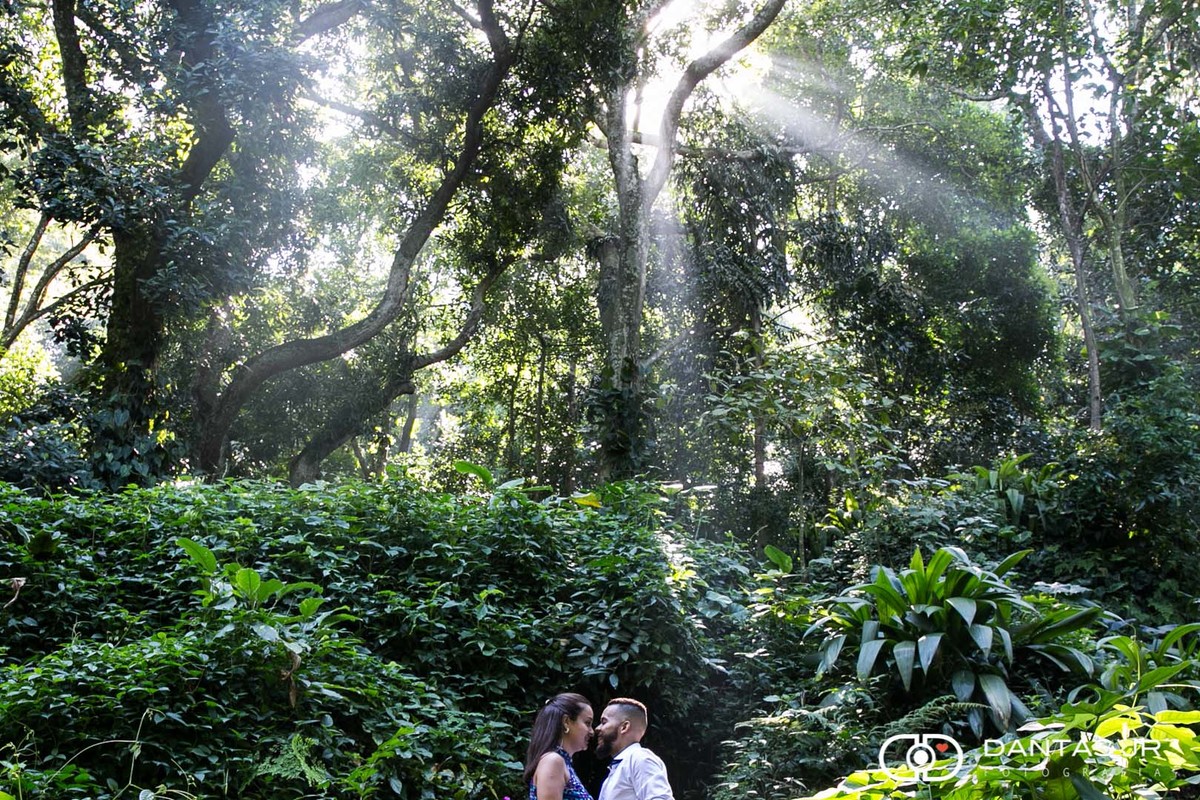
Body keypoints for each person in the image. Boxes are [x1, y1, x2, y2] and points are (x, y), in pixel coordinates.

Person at [594, 698, 674, 800]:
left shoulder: (640, 758)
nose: (597, 728)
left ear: (624, 727)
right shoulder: (620, 766)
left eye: (604, 722)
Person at [523, 692, 595, 800]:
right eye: (587, 723)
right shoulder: (553, 761)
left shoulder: (562, 763)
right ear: (566, 722)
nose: (592, 731)